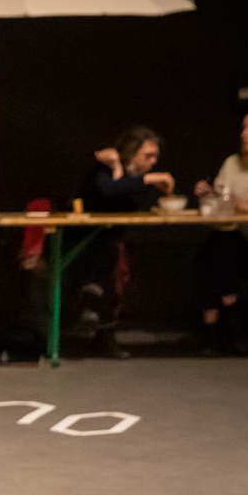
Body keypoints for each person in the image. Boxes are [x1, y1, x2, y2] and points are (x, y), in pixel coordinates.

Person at [76, 125, 174, 358]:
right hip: (83, 235)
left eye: (155, 157)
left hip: (109, 237)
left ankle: (100, 325)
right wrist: (145, 178)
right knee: (109, 261)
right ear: (132, 152)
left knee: (113, 266)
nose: (153, 161)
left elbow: (124, 200)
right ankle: (95, 317)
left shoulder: (134, 177)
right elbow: (108, 191)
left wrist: (155, 186)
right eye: (148, 156)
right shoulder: (105, 164)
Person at [192, 109, 248, 355]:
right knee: (217, 250)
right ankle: (231, 326)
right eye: (243, 128)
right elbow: (222, 209)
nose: (244, 134)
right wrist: (208, 196)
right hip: (238, 243)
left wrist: (242, 203)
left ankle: (215, 331)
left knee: (208, 260)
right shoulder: (232, 163)